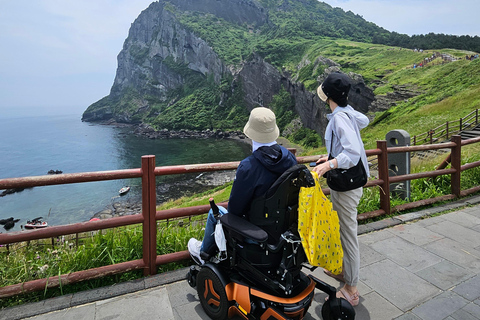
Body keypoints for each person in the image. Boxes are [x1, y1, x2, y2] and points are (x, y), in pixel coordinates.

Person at [188, 107, 297, 265]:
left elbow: (235, 210)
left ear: (251, 133)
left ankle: (203, 253)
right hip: (284, 229)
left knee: (214, 214)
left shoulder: (249, 166)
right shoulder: (290, 159)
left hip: (257, 233)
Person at [312, 72, 369, 307]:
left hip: (347, 187)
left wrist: (329, 164)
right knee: (342, 229)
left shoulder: (339, 118)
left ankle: (351, 289)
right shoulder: (346, 114)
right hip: (348, 184)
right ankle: (345, 273)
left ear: (328, 96)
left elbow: (353, 152)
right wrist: (332, 155)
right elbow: (363, 121)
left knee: (348, 236)